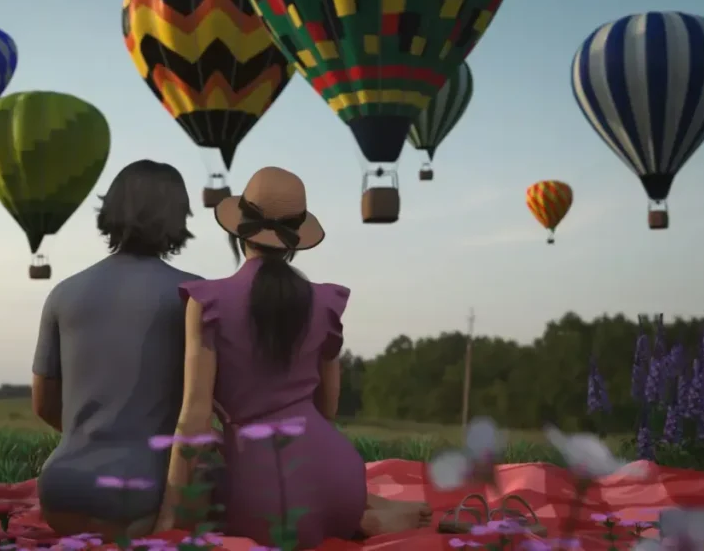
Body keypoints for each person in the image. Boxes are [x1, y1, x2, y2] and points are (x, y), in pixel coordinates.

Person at [153, 167, 433, 547]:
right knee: (314, 501)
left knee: (211, 486)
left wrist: (167, 519)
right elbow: (327, 408)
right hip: (341, 478)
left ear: (238, 232)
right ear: (294, 241)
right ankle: (359, 515)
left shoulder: (208, 302)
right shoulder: (326, 303)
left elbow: (194, 417)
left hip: (268, 501)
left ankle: (359, 517)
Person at [31, 159, 202, 538]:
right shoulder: (195, 296)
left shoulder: (63, 292)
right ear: (178, 217)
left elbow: (43, 404)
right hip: (140, 495)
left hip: (59, 490)